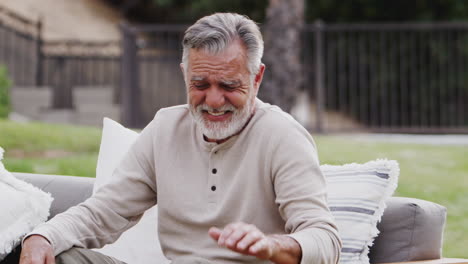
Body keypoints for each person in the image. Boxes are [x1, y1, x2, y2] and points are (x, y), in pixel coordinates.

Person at [20, 13, 341, 264]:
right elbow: (103, 212)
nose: (214, 101)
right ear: (184, 74)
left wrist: (271, 246)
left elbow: (324, 240)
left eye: (229, 85)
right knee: (57, 257)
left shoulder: (283, 136)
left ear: (256, 77)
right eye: (200, 84)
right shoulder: (164, 128)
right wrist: (43, 236)